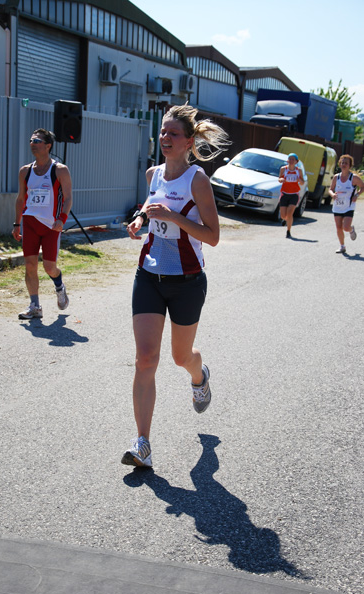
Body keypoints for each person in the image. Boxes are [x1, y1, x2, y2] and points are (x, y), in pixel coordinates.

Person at [122, 104, 229, 468]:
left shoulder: (198, 180)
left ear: (188, 143)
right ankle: (143, 444)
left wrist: (172, 218)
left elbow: (212, 237)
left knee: (180, 357)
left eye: (173, 134)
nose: (165, 138)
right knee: (145, 359)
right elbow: (151, 204)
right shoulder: (153, 174)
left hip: (187, 281)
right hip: (149, 276)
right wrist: (139, 220)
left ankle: (199, 376)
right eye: (163, 132)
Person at [12, 128, 73, 319]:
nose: (32, 143)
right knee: (30, 265)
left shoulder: (60, 170)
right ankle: (35, 306)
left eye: (37, 140)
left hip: (50, 225)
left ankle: (59, 285)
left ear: (48, 146)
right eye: (31, 140)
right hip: (30, 222)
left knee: (49, 267)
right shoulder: (25, 171)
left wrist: (61, 219)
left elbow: (69, 197)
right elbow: (21, 199)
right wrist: (17, 224)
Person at [329, 154, 364, 254]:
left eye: (346, 163)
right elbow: (330, 189)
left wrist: (356, 195)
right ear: (340, 164)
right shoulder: (336, 177)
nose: (344, 164)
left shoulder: (354, 178)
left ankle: (351, 229)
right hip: (338, 206)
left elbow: (363, 187)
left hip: (349, 206)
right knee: (339, 227)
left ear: (350, 165)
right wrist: (332, 195)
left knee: (345, 227)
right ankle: (342, 246)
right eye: (342, 162)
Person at [278, 153, 304, 238]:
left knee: (289, 214)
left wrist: (298, 179)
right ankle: (285, 220)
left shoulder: (298, 170)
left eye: (293, 159)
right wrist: (281, 179)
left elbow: (302, 182)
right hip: (284, 194)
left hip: (294, 194)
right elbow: (279, 179)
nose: (291, 161)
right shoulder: (283, 169)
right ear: (287, 160)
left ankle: (288, 231)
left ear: (296, 161)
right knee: (283, 215)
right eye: (290, 159)